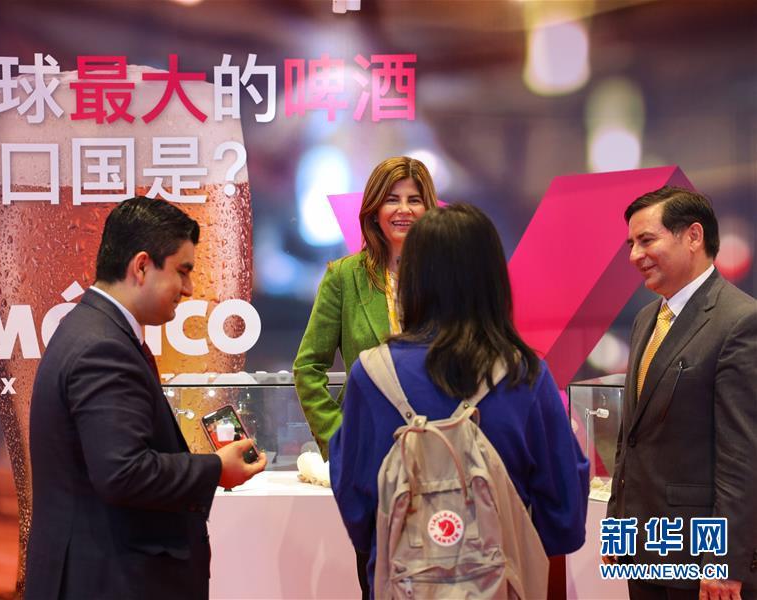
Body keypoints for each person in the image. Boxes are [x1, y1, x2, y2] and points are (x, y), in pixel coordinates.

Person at [329, 204, 590, 598]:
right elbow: (564, 511)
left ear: (411, 277)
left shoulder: (371, 375)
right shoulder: (523, 373)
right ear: (492, 278)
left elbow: (356, 503)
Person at [24, 196, 266, 600]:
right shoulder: (103, 346)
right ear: (141, 266)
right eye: (182, 271)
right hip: (106, 581)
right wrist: (214, 469)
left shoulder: (94, 329)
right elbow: (123, 472)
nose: (189, 288)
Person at [293, 156, 438, 598]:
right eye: (392, 199)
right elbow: (308, 367)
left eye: (414, 199)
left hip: (441, 455)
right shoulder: (345, 277)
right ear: (374, 209)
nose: (404, 210)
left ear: (429, 208)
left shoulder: (446, 277)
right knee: (377, 582)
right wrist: (340, 445)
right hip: (371, 462)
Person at [605, 187, 757, 600]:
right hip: (644, 548)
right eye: (631, 244)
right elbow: (631, 439)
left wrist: (724, 561)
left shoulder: (739, 321)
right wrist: (618, 526)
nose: (634, 255)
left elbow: (742, 457)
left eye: (646, 240)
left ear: (693, 236)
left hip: (701, 561)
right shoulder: (645, 319)